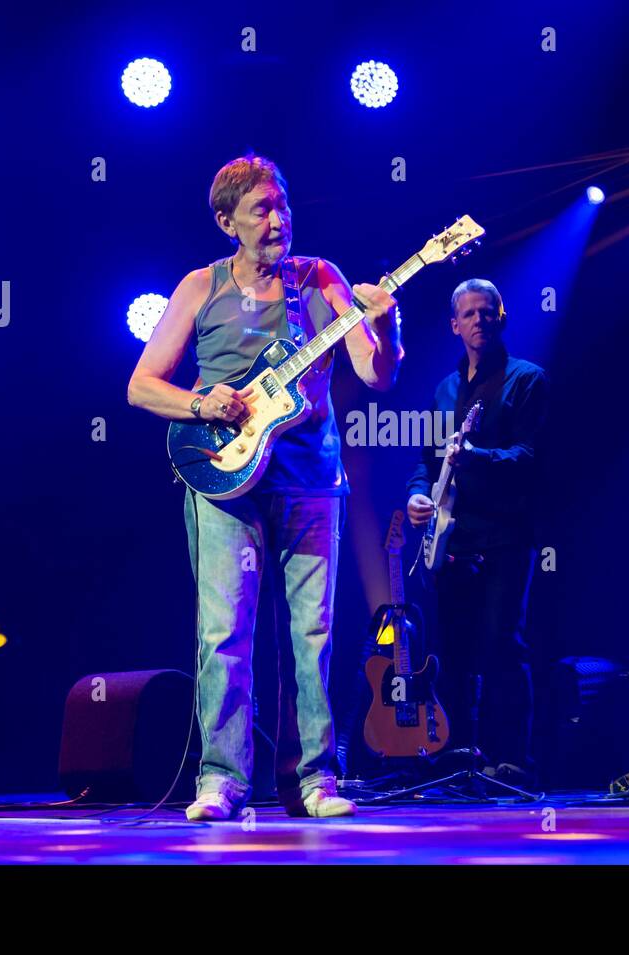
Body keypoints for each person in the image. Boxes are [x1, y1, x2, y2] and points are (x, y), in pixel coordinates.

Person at [128, 154, 402, 819]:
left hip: (309, 477)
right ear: (227, 221)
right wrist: (203, 404)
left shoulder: (322, 278)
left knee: (314, 633)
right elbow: (141, 385)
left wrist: (385, 321)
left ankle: (318, 779)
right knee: (223, 629)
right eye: (260, 209)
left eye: (282, 204)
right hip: (224, 479)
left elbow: (377, 374)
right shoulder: (199, 286)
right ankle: (220, 778)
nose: (277, 218)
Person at [405, 279, 548, 787]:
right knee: (455, 651)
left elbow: (533, 457)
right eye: (468, 314)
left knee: (501, 645)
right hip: (452, 541)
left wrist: (475, 457)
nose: (478, 321)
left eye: (487, 313)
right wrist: (418, 496)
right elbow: (426, 461)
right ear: (454, 325)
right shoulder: (444, 389)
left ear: (502, 317)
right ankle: (460, 755)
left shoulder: (527, 380)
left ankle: (511, 759)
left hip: (504, 536)